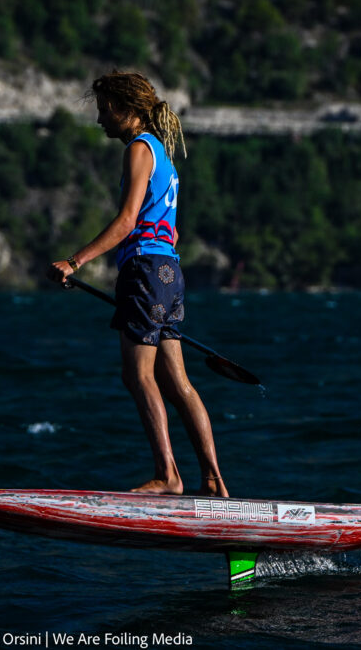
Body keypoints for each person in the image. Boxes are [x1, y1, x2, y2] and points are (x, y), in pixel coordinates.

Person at [48, 71, 228, 498]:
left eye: (105, 110)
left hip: (145, 272)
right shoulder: (163, 156)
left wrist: (75, 261)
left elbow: (128, 222)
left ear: (127, 111)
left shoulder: (138, 149)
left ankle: (168, 476)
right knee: (177, 382)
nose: (100, 120)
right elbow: (171, 232)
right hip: (169, 274)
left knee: (137, 374)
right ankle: (214, 482)